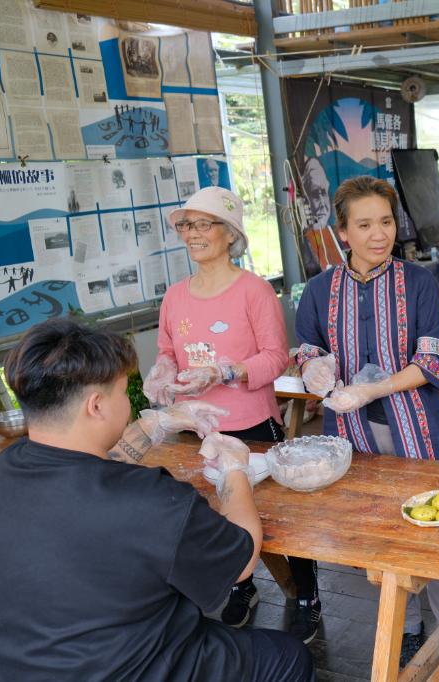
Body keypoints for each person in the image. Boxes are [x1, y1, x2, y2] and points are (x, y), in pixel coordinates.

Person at [0, 318, 315, 682]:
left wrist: (158, 422)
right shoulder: (149, 498)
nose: (128, 403)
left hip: (16, 666)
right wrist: (235, 471)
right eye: (124, 393)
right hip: (131, 669)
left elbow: (87, 471)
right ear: (96, 406)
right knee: (289, 656)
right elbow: (242, 558)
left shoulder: (3, 468)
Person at [293, 175, 439, 667]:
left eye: (386, 221)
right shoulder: (321, 289)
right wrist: (312, 367)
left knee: (436, 523)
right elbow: (306, 349)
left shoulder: (419, 282)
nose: (379, 234)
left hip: (416, 428)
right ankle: (406, 625)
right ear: (342, 231)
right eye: (364, 224)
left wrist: (373, 387)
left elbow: (432, 360)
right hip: (350, 434)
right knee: (379, 529)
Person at [142, 187, 316, 642]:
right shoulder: (175, 296)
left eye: (203, 224)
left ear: (230, 232)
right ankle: (242, 584)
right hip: (196, 427)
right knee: (212, 514)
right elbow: (166, 350)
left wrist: (223, 370)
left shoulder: (254, 290)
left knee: (285, 518)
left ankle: (307, 596)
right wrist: (162, 371)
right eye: (186, 225)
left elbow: (278, 358)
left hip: (255, 425)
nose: (191, 234)